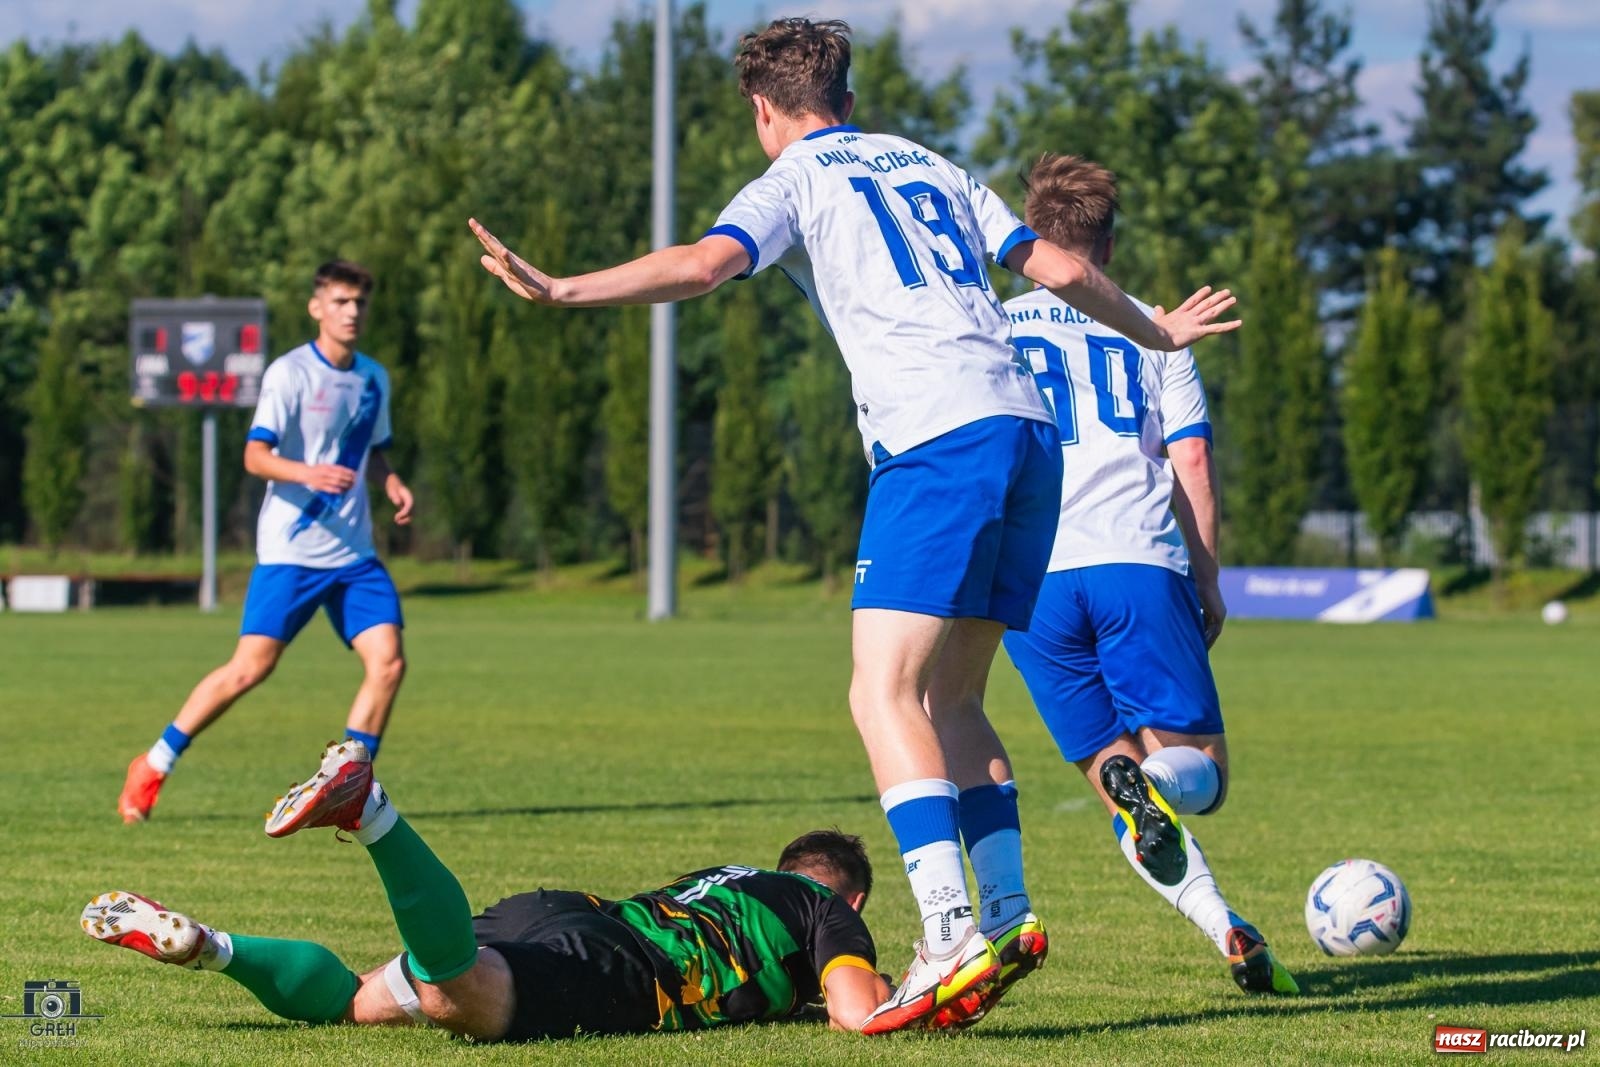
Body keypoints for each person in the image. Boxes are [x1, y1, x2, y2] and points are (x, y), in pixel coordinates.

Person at [468, 18, 1240, 1032]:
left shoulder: (794, 176)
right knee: (954, 696)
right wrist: (1153, 329)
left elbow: (704, 266)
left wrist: (564, 288)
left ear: (764, 107)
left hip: (937, 438)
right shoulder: (933, 162)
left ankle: (951, 927)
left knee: (881, 688)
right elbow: (1052, 267)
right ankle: (1005, 911)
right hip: (1025, 436)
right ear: (842, 86)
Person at [998, 154, 1297, 995]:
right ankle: (1156, 779)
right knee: (1201, 773)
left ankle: (1224, 926)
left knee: (1114, 782)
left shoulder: (995, 324)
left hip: (1033, 585)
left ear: (1031, 236)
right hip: (1133, 558)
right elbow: (1191, 459)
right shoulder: (1152, 326)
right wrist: (1208, 580)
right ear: (1111, 240)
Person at [86, 740, 898, 1038]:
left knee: (357, 1000)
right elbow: (860, 1011)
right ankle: (370, 812)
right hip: (619, 961)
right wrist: (893, 986)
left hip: (568, 912)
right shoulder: (826, 908)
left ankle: (212, 947)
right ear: (849, 899)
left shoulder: (724, 880)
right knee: (456, 989)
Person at [117, 261, 415, 824]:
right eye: (341, 301)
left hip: (354, 555)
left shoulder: (375, 377)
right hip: (292, 550)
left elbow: (371, 451)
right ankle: (155, 762)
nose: (352, 312)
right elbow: (256, 455)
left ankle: (348, 788)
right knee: (249, 669)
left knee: (389, 663)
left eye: (360, 304)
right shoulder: (290, 373)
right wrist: (309, 473)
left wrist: (392, 481)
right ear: (317, 307)